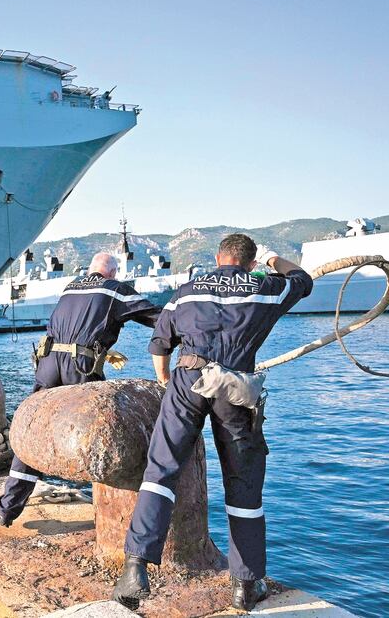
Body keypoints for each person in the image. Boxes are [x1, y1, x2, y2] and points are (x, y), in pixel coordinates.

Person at [112, 234, 313, 612]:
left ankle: (136, 566)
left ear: (218, 257)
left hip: (187, 381)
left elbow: (159, 343)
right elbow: (302, 279)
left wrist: (166, 382)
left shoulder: (188, 290)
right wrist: (273, 260)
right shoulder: (264, 287)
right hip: (235, 389)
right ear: (249, 263)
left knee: (161, 470)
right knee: (243, 482)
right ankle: (245, 585)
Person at [0, 251, 162, 527]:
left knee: (36, 428)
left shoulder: (71, 287)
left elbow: (74, 329)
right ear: (111, 273)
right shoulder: (115, 290)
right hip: (79, 366)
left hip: (48, 363)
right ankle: (112, 515)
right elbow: (156, 317)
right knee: (98, 430)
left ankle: (6, 509)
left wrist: (104, 351)